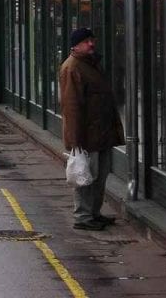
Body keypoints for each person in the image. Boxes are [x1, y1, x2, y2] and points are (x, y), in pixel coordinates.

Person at [59, 27, 125, 231]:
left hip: (100, 133)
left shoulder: (91, 64)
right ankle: (83, 216)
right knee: (86, 176)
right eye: (86, 41)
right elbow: (71, 106)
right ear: (75, 45)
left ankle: (94, 213)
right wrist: (76, 142)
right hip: (87, 136)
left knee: (100, 175)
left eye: (92, 39)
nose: (91, 43)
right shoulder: (72, 68)